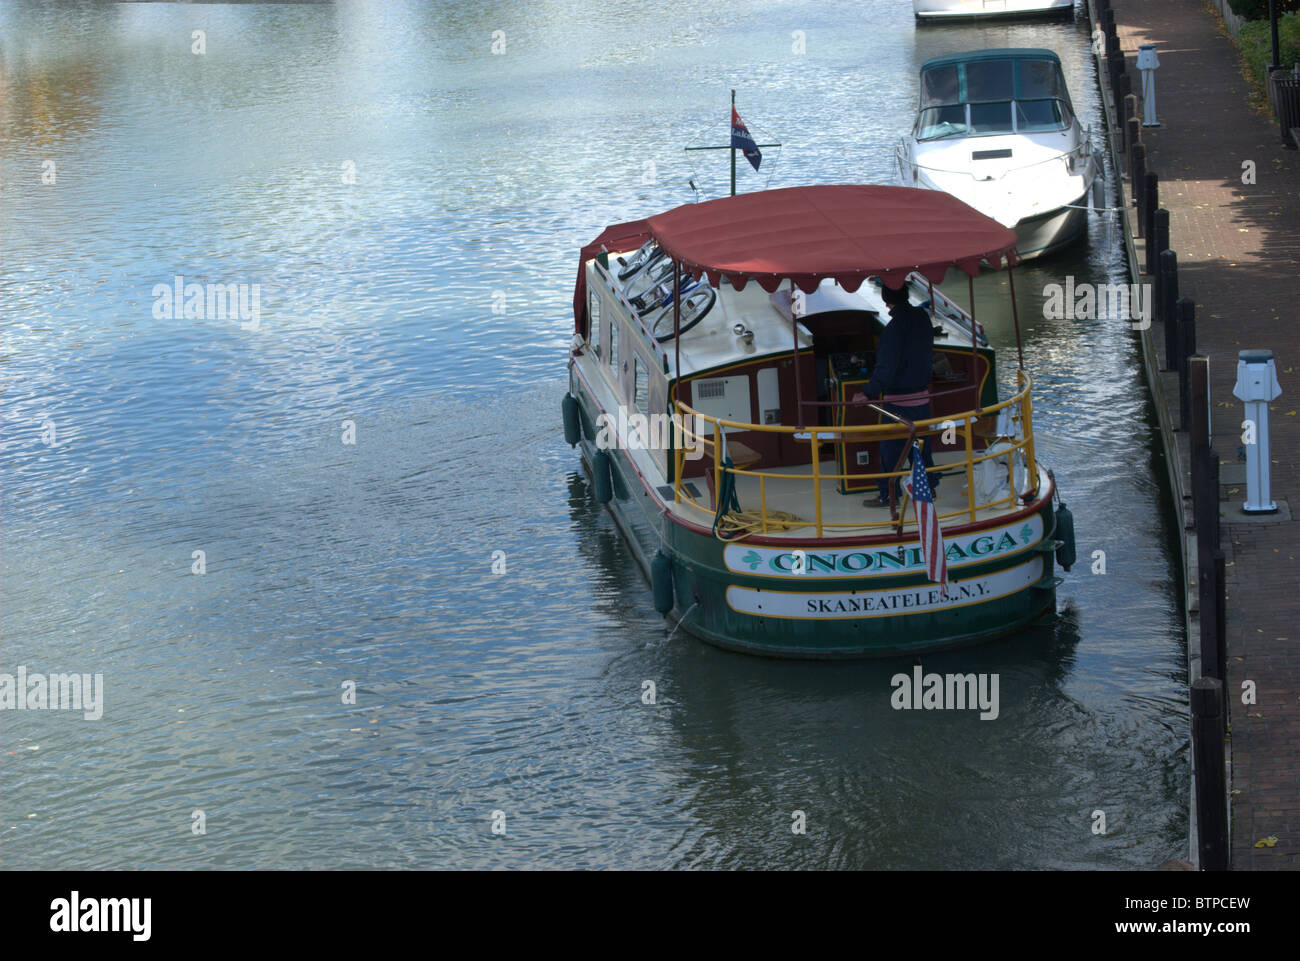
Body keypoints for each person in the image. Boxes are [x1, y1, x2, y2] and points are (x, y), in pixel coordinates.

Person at [851, 281, 937, 505]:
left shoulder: (893, 329)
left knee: (891, 451)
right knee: (921, 447)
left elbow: (886, 368)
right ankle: (929, 488)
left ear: (885, 300)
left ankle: (888, 495)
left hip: (898, 403)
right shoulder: (922, 319)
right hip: (922, 398)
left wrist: (867, 394)